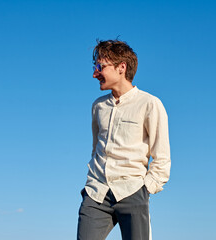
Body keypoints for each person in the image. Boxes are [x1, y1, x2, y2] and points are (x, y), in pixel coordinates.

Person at [77, 39, 171, 240]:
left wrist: (145, 189)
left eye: (100, 67)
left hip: (133, 191)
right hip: (96, 194)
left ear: (121, 67)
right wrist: (90, 184)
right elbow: (96, 150)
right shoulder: (98, 107)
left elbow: (162, 157)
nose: (95, 73)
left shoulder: (150, 104)